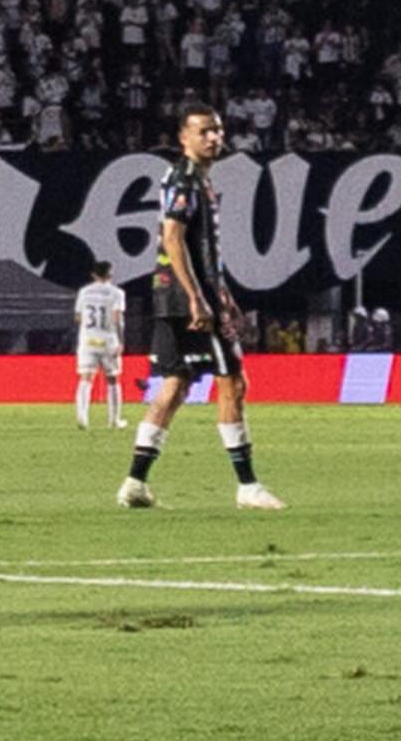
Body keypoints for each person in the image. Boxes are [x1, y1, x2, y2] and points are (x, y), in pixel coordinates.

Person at [117, 104, 282, 510]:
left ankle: (135, 483)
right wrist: (197, 297)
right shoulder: (186, 180)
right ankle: (247, 486)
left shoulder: (194, 181)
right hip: (184, 299)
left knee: (175, 386)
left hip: (177, 296)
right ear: (184, 138)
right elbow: (172, 238)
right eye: (205, 131)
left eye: (218, 131)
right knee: (234, 383)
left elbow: (201, 248)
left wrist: (223, 293)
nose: (214, 138)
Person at [74, 269, 130, 428]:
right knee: (112, 379)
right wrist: (121, 340)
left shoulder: (84, 292)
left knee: (86, 378)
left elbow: (78, 317)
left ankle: (82, 418)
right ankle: (114, 420)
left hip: (88, 339)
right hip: (108, 339)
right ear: (110, 275)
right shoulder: (117, 293)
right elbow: (117, 318)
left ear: (93, 275)